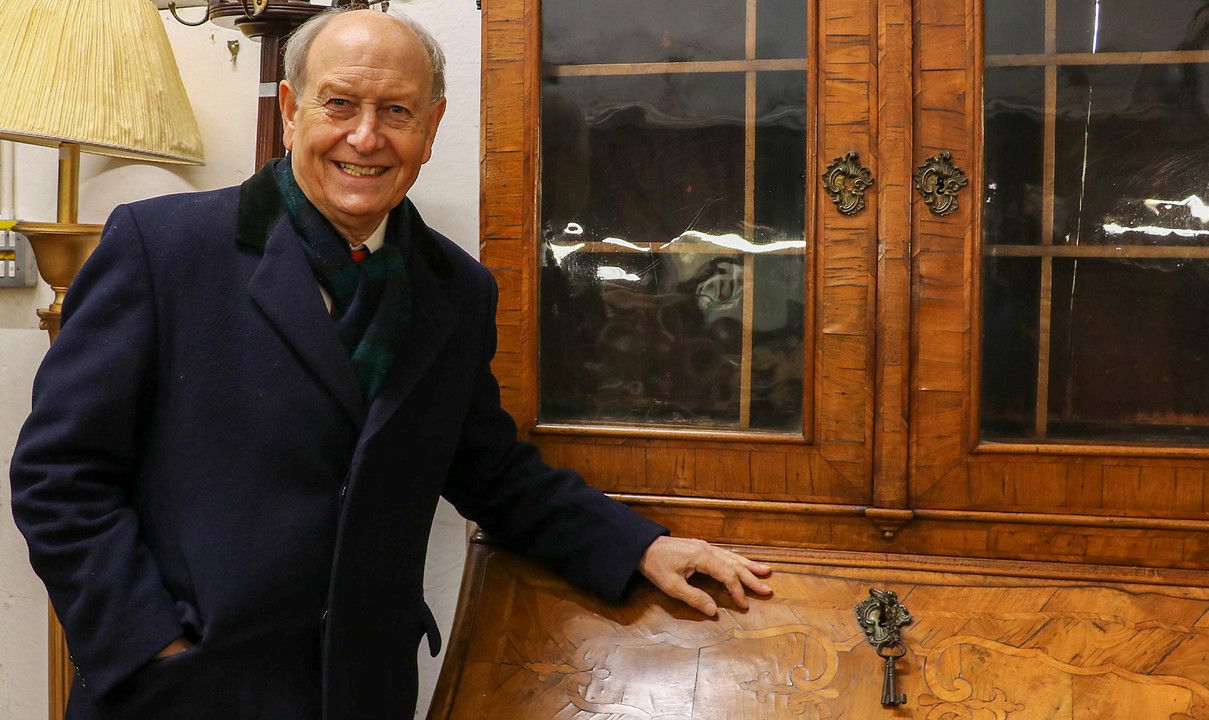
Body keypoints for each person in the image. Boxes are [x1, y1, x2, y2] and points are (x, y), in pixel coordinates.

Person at [8, 8, 771, 720]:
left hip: (360, 692)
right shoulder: (162, 247)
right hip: (176, 694)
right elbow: (59, 477)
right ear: (291, 110)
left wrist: (637, 546)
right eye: (340, 104)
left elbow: (488, 470)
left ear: (431, 127)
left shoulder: (456, 290)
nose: (366, 136)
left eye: (397, 111)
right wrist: (152, 646)